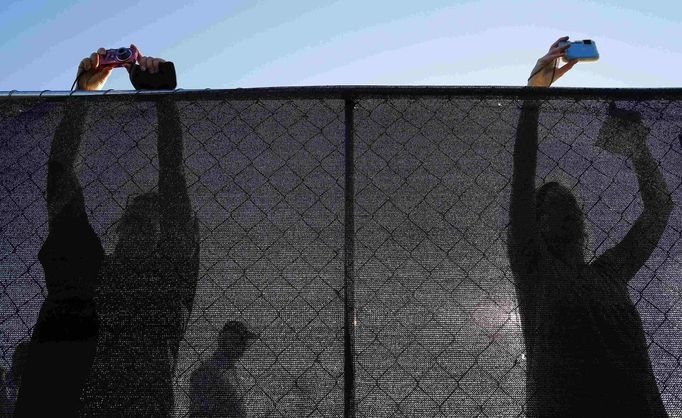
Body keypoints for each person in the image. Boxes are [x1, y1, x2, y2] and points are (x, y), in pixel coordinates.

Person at [16, 44, 200, 417]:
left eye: (151, 222)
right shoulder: (91, 273)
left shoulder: (168, 281)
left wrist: (166, 103)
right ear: (120, 228)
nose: (140, 227)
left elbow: (174, 186)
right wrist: (84, 95)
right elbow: (60, 179)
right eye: (134, 218)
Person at [508, 36, 673, 417]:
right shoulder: (536, 269)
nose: (567, 208)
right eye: (552, 205)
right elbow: (523, 172)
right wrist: (534, 95)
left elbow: (659, 211)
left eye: (570, 204)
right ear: (537, 222)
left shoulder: (610, 272)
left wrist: (637, 149)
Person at [189, 321, 258, 418]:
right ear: (223, 341)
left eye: (244, 343)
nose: (243, 347)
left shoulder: (230, 369)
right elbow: (198, 413)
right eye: (237, 342)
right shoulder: (207, 371)